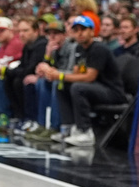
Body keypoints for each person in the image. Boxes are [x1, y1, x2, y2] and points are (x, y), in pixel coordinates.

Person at [36, 15, 128, 146]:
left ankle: (85, 131)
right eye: (76, 30)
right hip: (94, 87)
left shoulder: (99, 49)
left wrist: (59, 75)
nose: (80, 33)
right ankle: (68, 128)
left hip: (112, 92)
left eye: (83, 29)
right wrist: (56, 75)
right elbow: (76, 73)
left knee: (77, 87)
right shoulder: (79, 48)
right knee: (62, 86)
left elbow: (90, 77)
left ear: (92, 31)